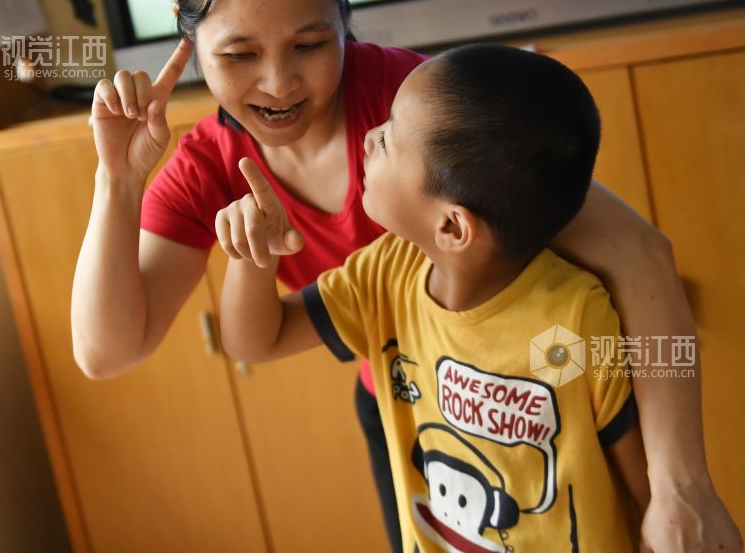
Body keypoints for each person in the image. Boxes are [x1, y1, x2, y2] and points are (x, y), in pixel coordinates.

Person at [71, 0, 741, 552]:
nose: (279, 83)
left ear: (342, 11)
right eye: (240, 54)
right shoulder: (210, 168)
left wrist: (681, 486)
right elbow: (108, 352)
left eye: (310, 43)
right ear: (188, 33)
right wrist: (118, 180)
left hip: (546, 397)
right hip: (406, 409)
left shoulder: (420, 113)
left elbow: (641, 254)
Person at [215, 42, 652, 551]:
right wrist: (255, 254)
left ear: (451, 226)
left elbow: (647, 491)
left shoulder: (573, 317)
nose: (370, 136)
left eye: (389, 138)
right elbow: (255, 341)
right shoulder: (384, 275)